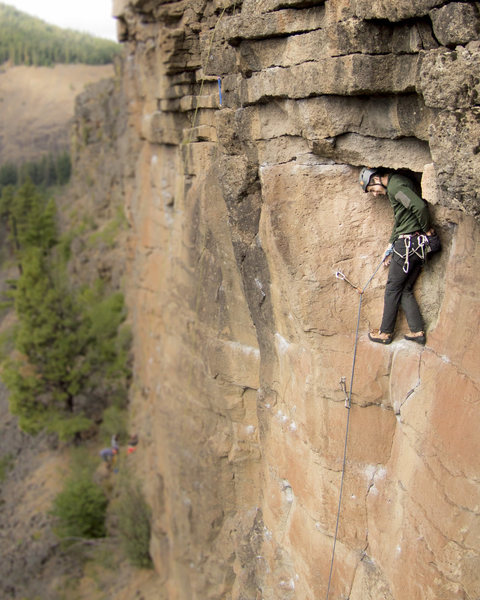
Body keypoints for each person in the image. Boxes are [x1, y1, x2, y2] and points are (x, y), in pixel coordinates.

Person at [359, 167, 438, 345]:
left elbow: (418, 206)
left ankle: (385, 333)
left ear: (376, 178)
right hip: (417, 246)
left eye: (372, 189)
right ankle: (417, 331)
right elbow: (401, 218)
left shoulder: (395, 187)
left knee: (392, 288)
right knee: (405, 289)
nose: (374, 194)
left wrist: (427, 229)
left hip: (407, 245)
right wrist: (390, 244)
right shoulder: (398, 184)